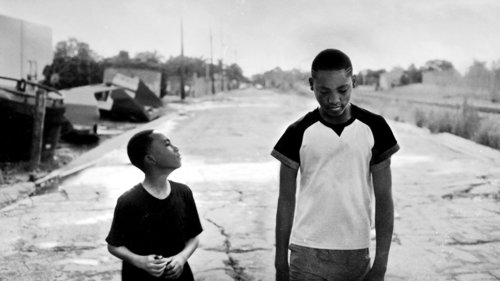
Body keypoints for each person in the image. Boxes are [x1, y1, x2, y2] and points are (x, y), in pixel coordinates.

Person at [272, 49, 399, 281]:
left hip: (355, 251)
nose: (334, 99)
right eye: (324, 91)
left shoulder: (375, 128)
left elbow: (384, 199)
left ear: (354, 82)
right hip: (305, 250)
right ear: (312, 84)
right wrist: (280, 262)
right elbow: (286, 199)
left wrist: (381, 265)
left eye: (343, 90)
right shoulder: (297, 132)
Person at [106, 130, 203, 280]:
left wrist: (181, 258)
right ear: (151, 159)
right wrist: (140, 261)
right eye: (167, 144)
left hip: (179, 275)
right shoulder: (129, 201)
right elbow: (114, 245)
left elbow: (193, 237)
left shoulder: (183, 192)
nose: (176, 148)